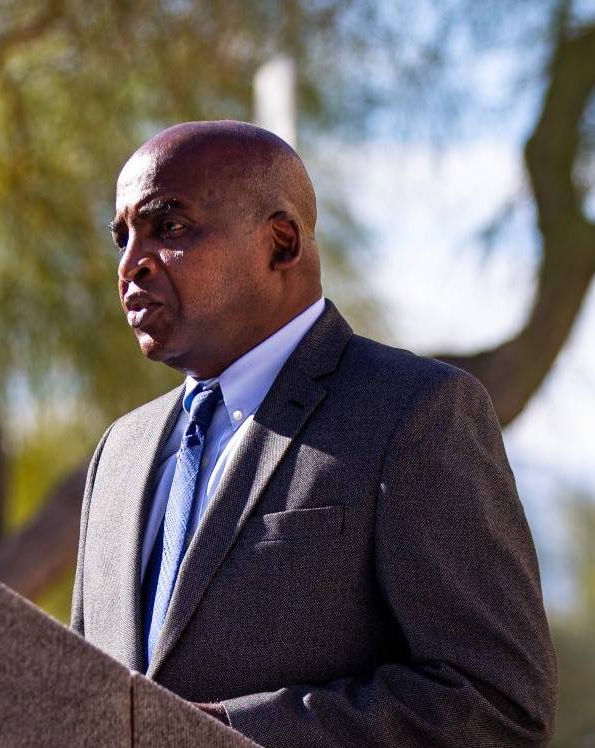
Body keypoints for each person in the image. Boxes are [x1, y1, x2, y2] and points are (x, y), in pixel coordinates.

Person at [71, 120, 557, 747]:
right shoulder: (121, 452)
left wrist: (218, 736)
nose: (132, 264)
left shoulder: (412, 410)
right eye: (122, 237)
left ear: (280, 242)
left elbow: (498, 704)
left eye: (169, 228)